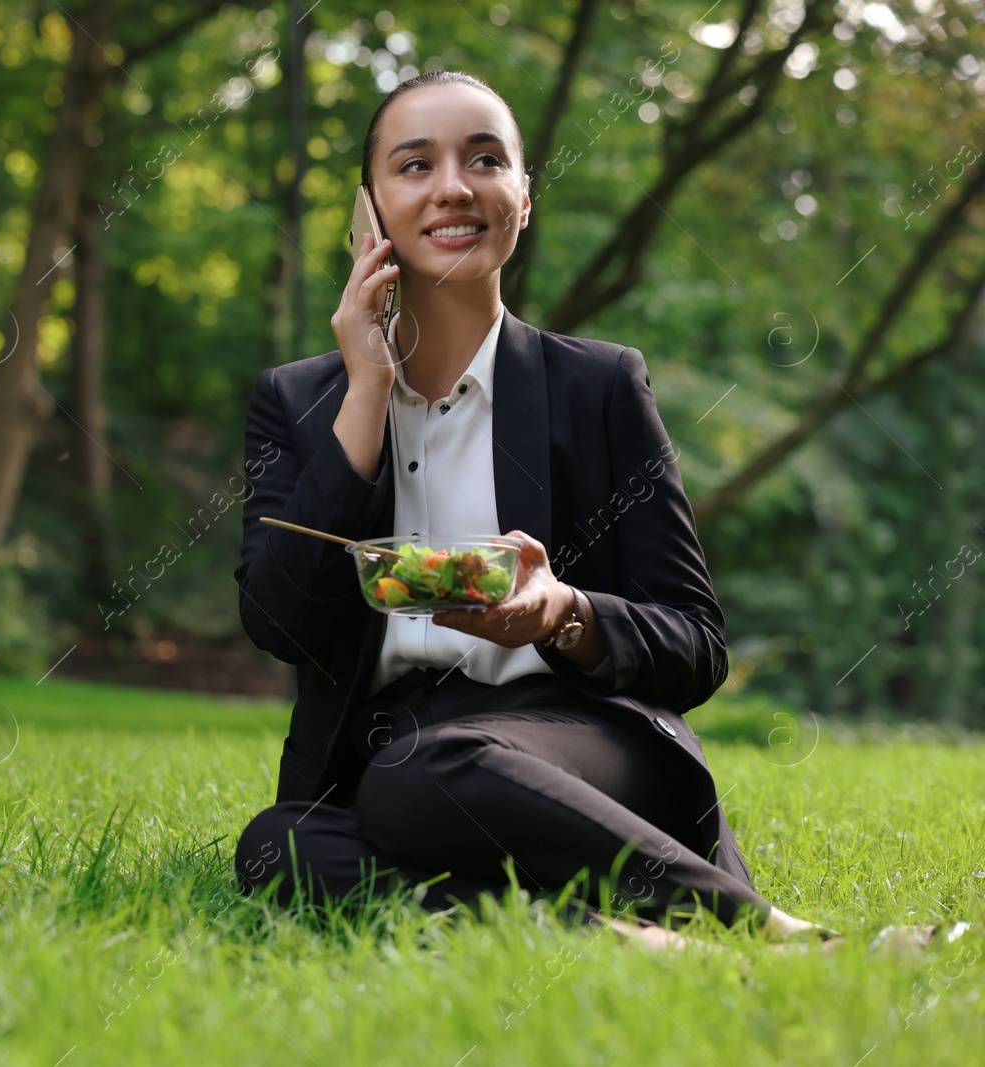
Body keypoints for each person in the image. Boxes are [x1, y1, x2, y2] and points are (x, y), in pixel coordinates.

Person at [231, 70, 837, 947]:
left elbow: (695, 645)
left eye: (485, 159)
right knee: (274, 847)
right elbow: (280, 621)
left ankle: (771, 934)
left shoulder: (599, 385)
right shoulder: (295, 401)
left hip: (581, 743)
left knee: (418, 773)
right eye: (414, 164)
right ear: (367, 212)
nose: (453, 186)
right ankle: (625, 940)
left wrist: (566, 613)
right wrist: (365, 391)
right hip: (387, 758)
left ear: (522, 197)